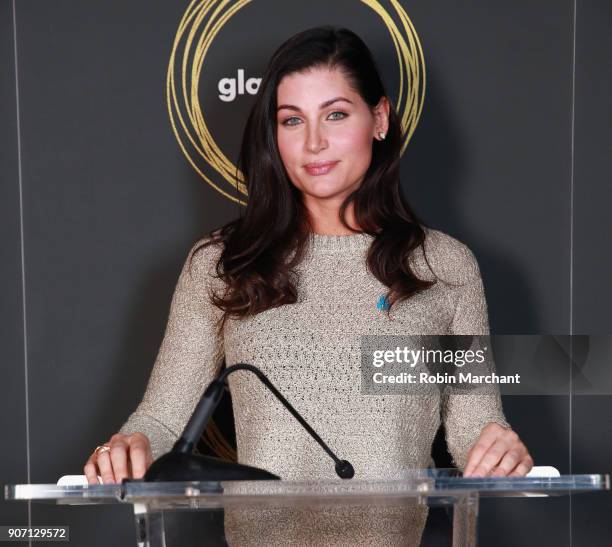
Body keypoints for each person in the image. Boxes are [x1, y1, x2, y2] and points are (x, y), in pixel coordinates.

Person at [84, 26, 532, 545]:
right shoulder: (223, 263)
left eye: (336, 114)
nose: (314, 142)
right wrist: (127, 445)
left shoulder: (443, 266)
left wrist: (499, 447)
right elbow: (163, 417)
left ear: (379, 119)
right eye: (292, 120)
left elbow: (475, 426)